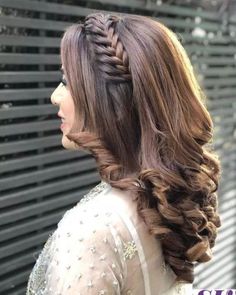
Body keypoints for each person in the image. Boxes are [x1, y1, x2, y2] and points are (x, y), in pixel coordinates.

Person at [26, 12, 222, 295]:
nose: (55, 96)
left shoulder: (90, 230)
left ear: (111, 102)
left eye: (66, 81)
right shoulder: (161, 196)